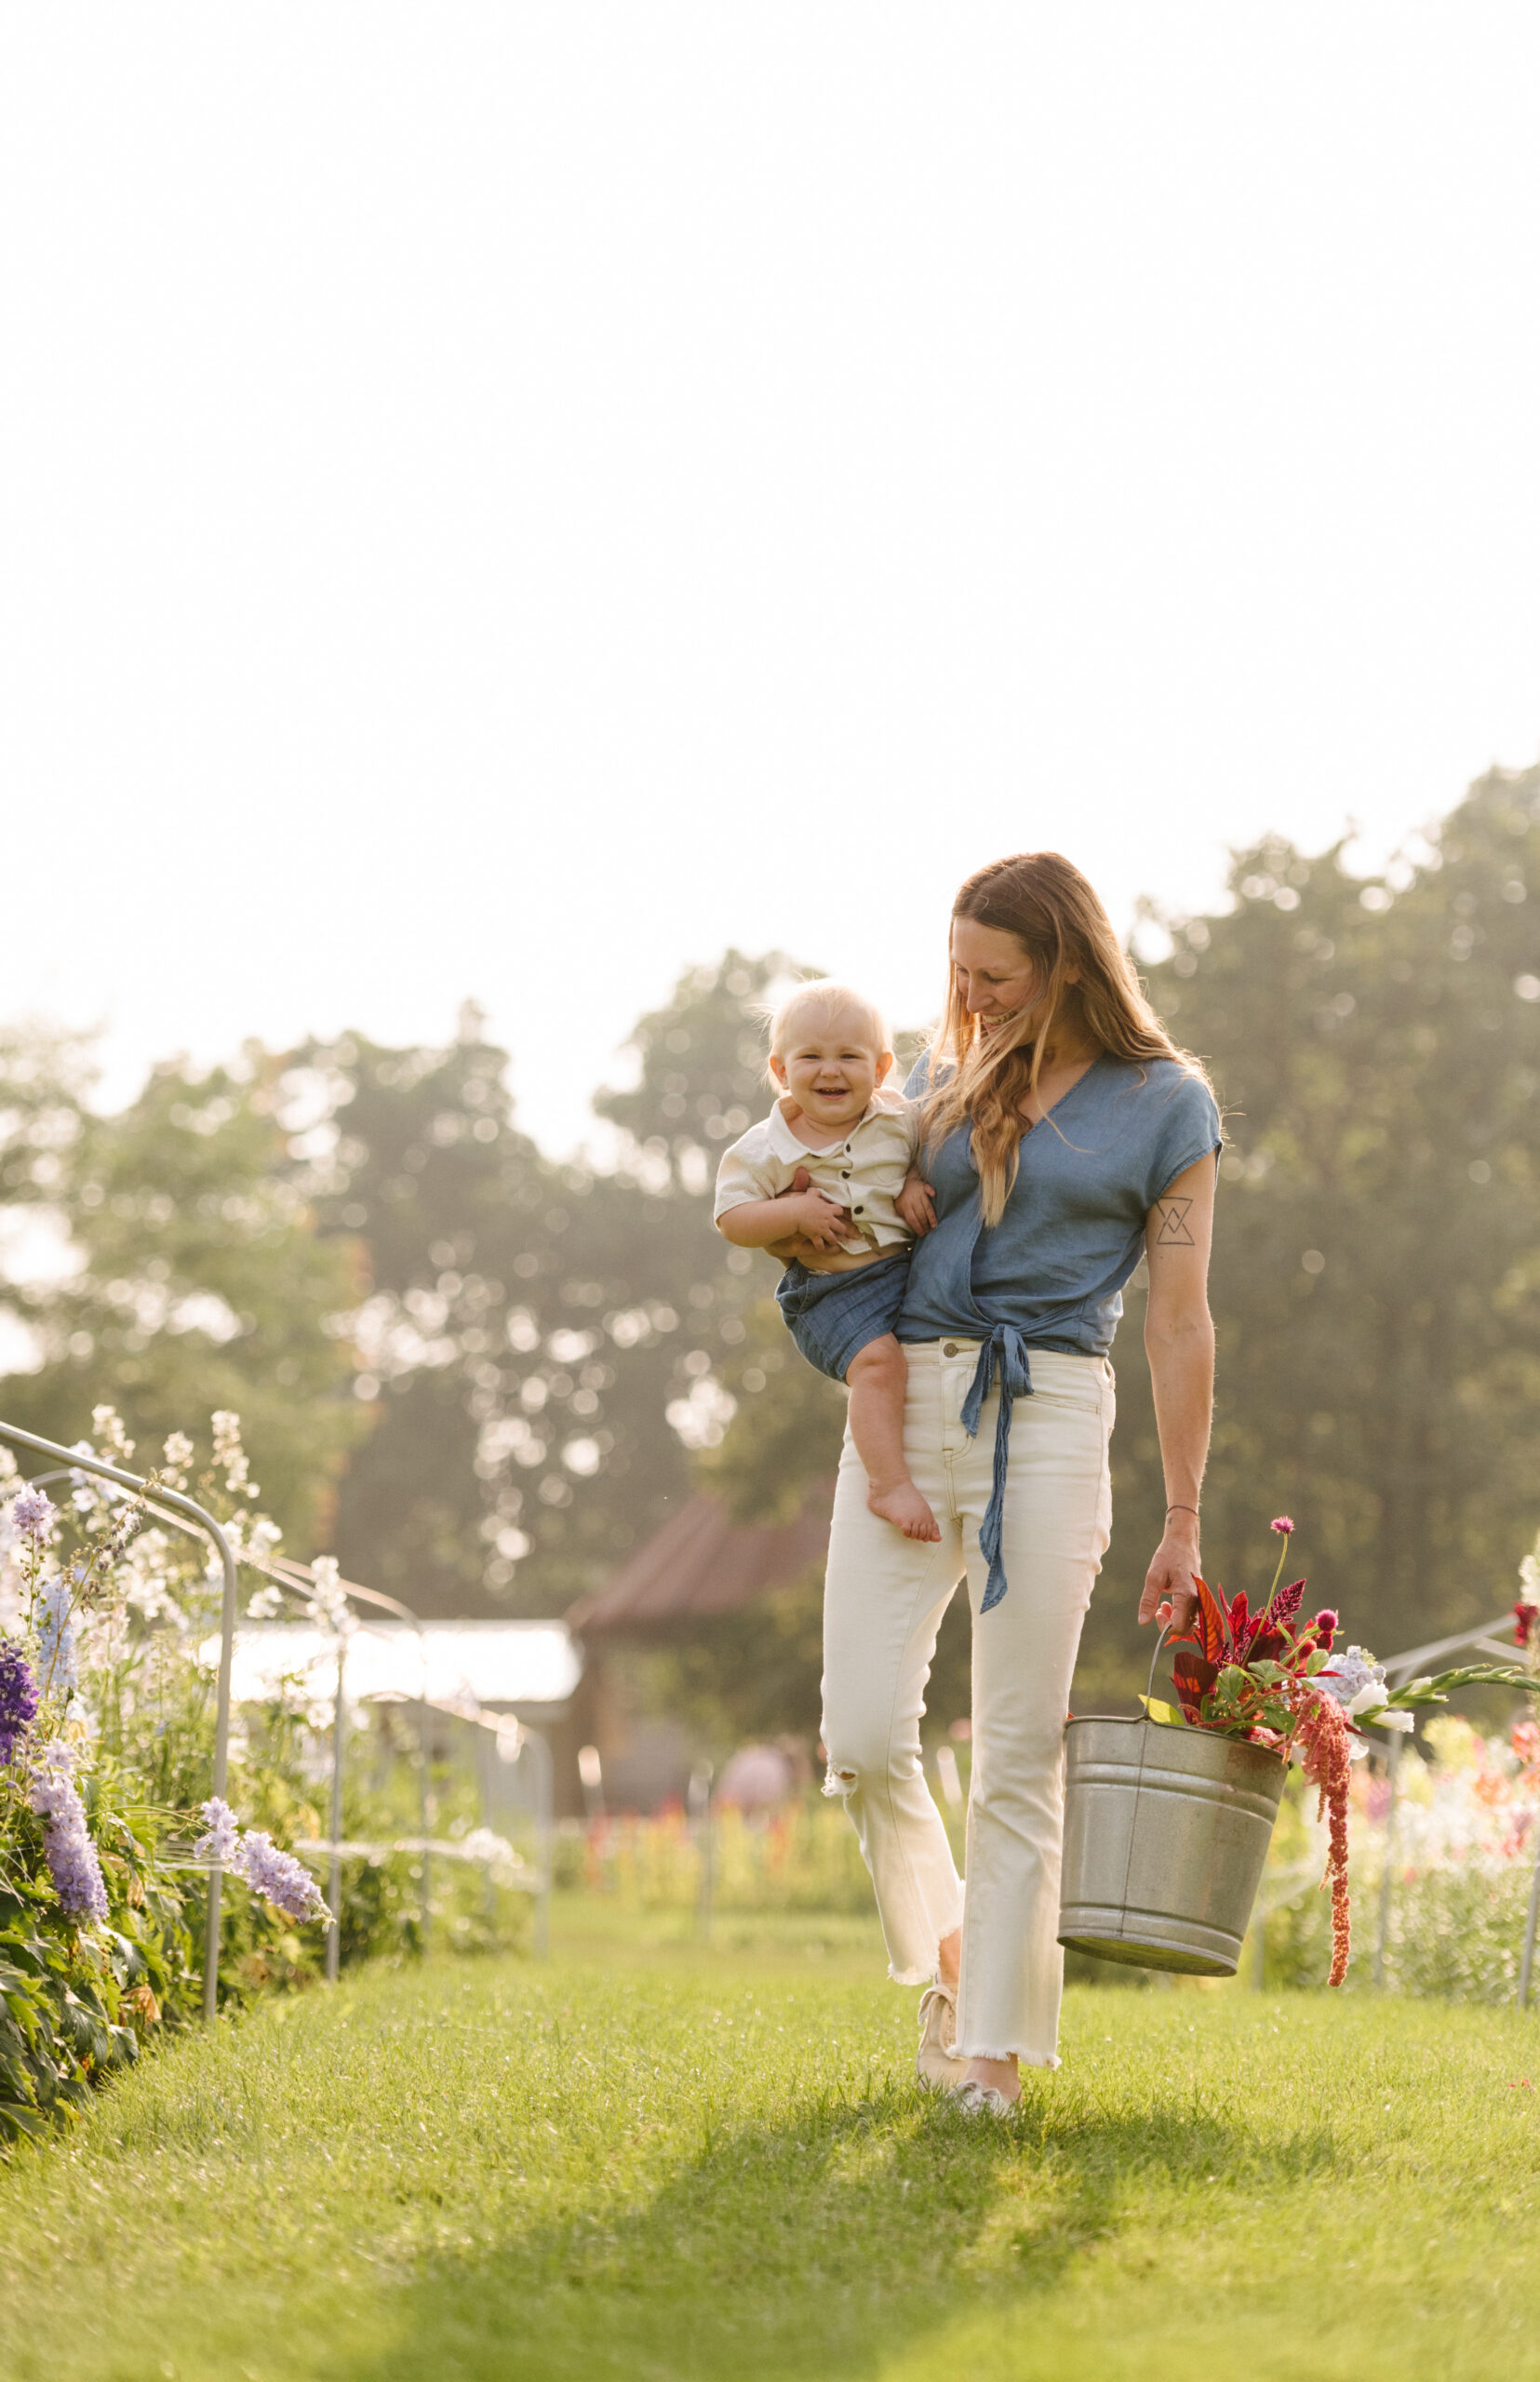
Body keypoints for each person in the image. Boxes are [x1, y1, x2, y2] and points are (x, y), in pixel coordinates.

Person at [797, 852, 1221, 2114]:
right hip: (902, 1414)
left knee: (1018, 1750)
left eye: (995, 976)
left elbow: (1179, 1322)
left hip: (1046, 1414)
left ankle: (989, 2055)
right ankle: (952, 1957)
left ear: (1069, 965)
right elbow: (815, 1178)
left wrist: (1183, 1517)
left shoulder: (1165, 1104)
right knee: (864, 1737)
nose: (968, 998)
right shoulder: (925, 1076)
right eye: (957, 973)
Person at [713, 979, 941, 1543]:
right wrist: (792, 1214)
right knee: (879, 1367)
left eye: (849, 1056)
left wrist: (913, 1181)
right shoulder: (765, 1148)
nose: (830, 1070)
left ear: (883, 1067)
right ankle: (887, 1483)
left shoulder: (898, 1119)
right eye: (811, 1056)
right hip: (828, 1291)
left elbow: (926, 1153)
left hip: (902, 1273)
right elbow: (733, 1219)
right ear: (781, 1070)